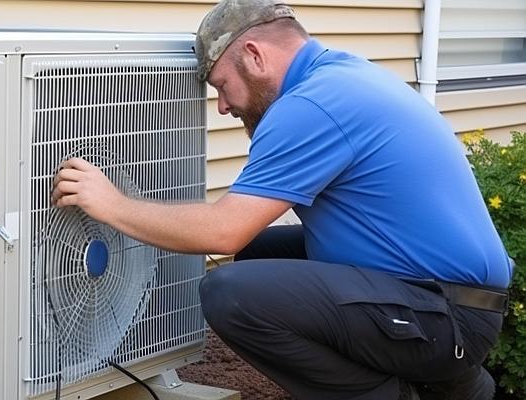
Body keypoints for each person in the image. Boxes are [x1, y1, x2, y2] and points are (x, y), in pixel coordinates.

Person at [51, 0, 513, 399]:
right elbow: (241, 238)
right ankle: (460, 387)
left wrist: (110, 204)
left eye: (221, 86)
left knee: (231, 293)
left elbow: (222, 229)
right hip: (445, 293)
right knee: (255, 255)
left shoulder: (311, 107)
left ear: (254, 55)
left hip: (449, 313)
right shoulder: (342, 74)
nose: (224, 107)